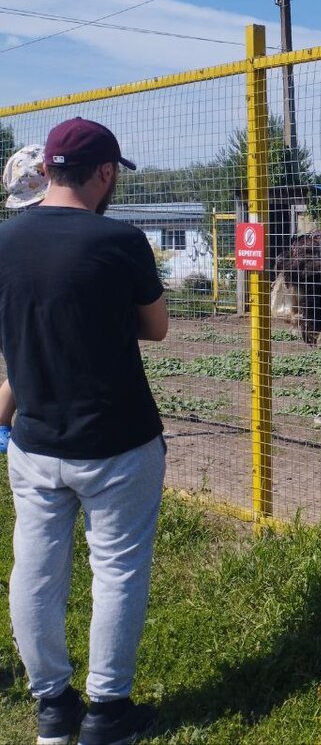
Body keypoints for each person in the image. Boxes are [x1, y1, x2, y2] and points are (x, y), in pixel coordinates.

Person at [0, 118, 168, 745]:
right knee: (117, 572)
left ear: (45, 169)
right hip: (118, 441)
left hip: (35, 440)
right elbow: (157, 328)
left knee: (35, 572)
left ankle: (51, 707)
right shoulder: (122, 241)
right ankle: (106, 714)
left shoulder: (4, 241)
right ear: (103, 174)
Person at [0, 143, 50, 456]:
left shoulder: (13, 232)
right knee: (26, 368)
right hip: (29, 315)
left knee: (22, 369)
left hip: (17, 315)